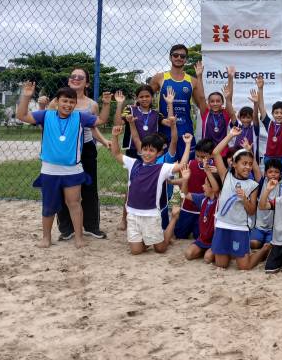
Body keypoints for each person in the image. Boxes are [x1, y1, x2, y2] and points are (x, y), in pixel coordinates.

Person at [19, 82, 99, 249]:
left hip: (73, 170)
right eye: (64, 101)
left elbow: (101, 120)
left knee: (75, 203)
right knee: (49, 205)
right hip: (49, 170)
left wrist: (106, 105)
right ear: (57, 101)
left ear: (75, 104)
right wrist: (26, 95)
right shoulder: (46, 115)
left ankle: (79, 237)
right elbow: (22, 116)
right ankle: (46, 238)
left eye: (71, 102)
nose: (67, 104)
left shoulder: (80, 117)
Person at [37, 68, 111, 241]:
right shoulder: (58, 101)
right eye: (73, 76)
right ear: (69, 80)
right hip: (65, 149)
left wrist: (103, 140)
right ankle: (66, 229)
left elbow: (93, 127)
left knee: (89, 188)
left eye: (81, 77)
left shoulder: (92, 104)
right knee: (62, 189)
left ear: (87, 82)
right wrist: (42, 105)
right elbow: (47, 123)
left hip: (86, 148)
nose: (76, 79)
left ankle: (91, 226)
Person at [108, 126, 189, 254]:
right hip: (133, 215)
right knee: (136, 251)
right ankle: (149, 237)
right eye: (145, 149)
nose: (147, 153)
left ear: (158, 153)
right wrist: (114, 136)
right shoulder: (133, 163)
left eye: (151, 150)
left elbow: (182, 165)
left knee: (160, 249)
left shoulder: (161, 168)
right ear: (141, 150)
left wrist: (188, 144)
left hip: (151, 215)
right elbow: (116, 153)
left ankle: (173, 218)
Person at [209, 140, 260, 271]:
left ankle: (264, 251)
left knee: (244, 266)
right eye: (244, 163)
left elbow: (252, 211)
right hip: (222, 225)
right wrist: (231, 135)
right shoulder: (226, 176)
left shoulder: (252, 185)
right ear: (234, 164)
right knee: (221, 265)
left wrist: (244, 199)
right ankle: (235, 252)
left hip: (240, 227)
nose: (248, 167)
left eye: (250, 164)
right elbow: (215, 152)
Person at [149, 44, 207, 160]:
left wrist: (199, 77)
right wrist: (159, 118)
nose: (179, 58)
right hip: (164, 131)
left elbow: (202, 104)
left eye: (182, 56)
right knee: (164, 166)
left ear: (186, 59)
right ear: (170, 57)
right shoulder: (159, 78)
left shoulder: (192, 81)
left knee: (184, 167)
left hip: (185, 130)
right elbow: (145, 99)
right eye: (175, 55)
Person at [183, 159, 222, 263]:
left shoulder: (220, 199)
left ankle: (213, 251)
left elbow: (216, 188)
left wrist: (207, 171)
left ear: (212, 187)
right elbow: (186, 194)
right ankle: (203, 249)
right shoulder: (202, 198)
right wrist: (185, 179)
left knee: (208, 258)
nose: (202, 186)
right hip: (203, 239)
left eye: (205, 184)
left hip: (215, 240)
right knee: (189, 254)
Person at [253, 75, 282, 165]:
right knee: (269, 178)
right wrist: (260, 88)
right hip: (269, 157)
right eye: (276, 112)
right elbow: (261, 107)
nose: (279, 115)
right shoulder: (269, 123)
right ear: (272, 113)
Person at [195, 61, 236, 149]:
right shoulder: (205, 113)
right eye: (212, 101)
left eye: (218, 101)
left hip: (223, 151)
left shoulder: (226, 113)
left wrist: (230, 78)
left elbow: (229, 97)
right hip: (206, 151)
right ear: (209, 103)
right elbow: (201, 97)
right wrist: (199, 76)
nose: (215, 103)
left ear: (222, 102)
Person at [250, 158, 282, 250]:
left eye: (276, 172)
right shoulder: (261, 183)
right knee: (254, 244)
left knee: (268, 247)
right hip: (259, 227)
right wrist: (249, 151)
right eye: (270, 171)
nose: (273, 174)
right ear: (265, 173)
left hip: (274, 228)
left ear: (280, 174)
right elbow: (256, 169)